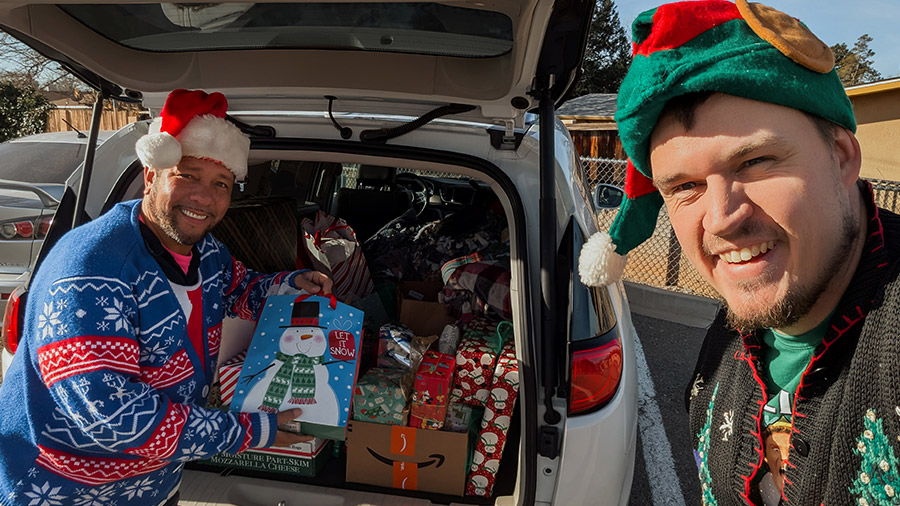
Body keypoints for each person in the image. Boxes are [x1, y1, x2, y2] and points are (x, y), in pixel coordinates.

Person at [578, 1, 900, 504]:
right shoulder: (728, 342)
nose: (721, 216)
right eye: (684, 186)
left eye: (754, 161)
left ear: (841, 157)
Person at [0, 89, 333, 506]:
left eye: (221, 184)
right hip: (62, 491)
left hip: (154, 481)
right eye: (187, 175)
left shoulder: (206, 252)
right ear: (152, 174)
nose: (204, 197)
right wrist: (249, 431)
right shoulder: (91, 269)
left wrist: (290, 284)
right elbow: (113, 417)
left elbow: (240, 289)